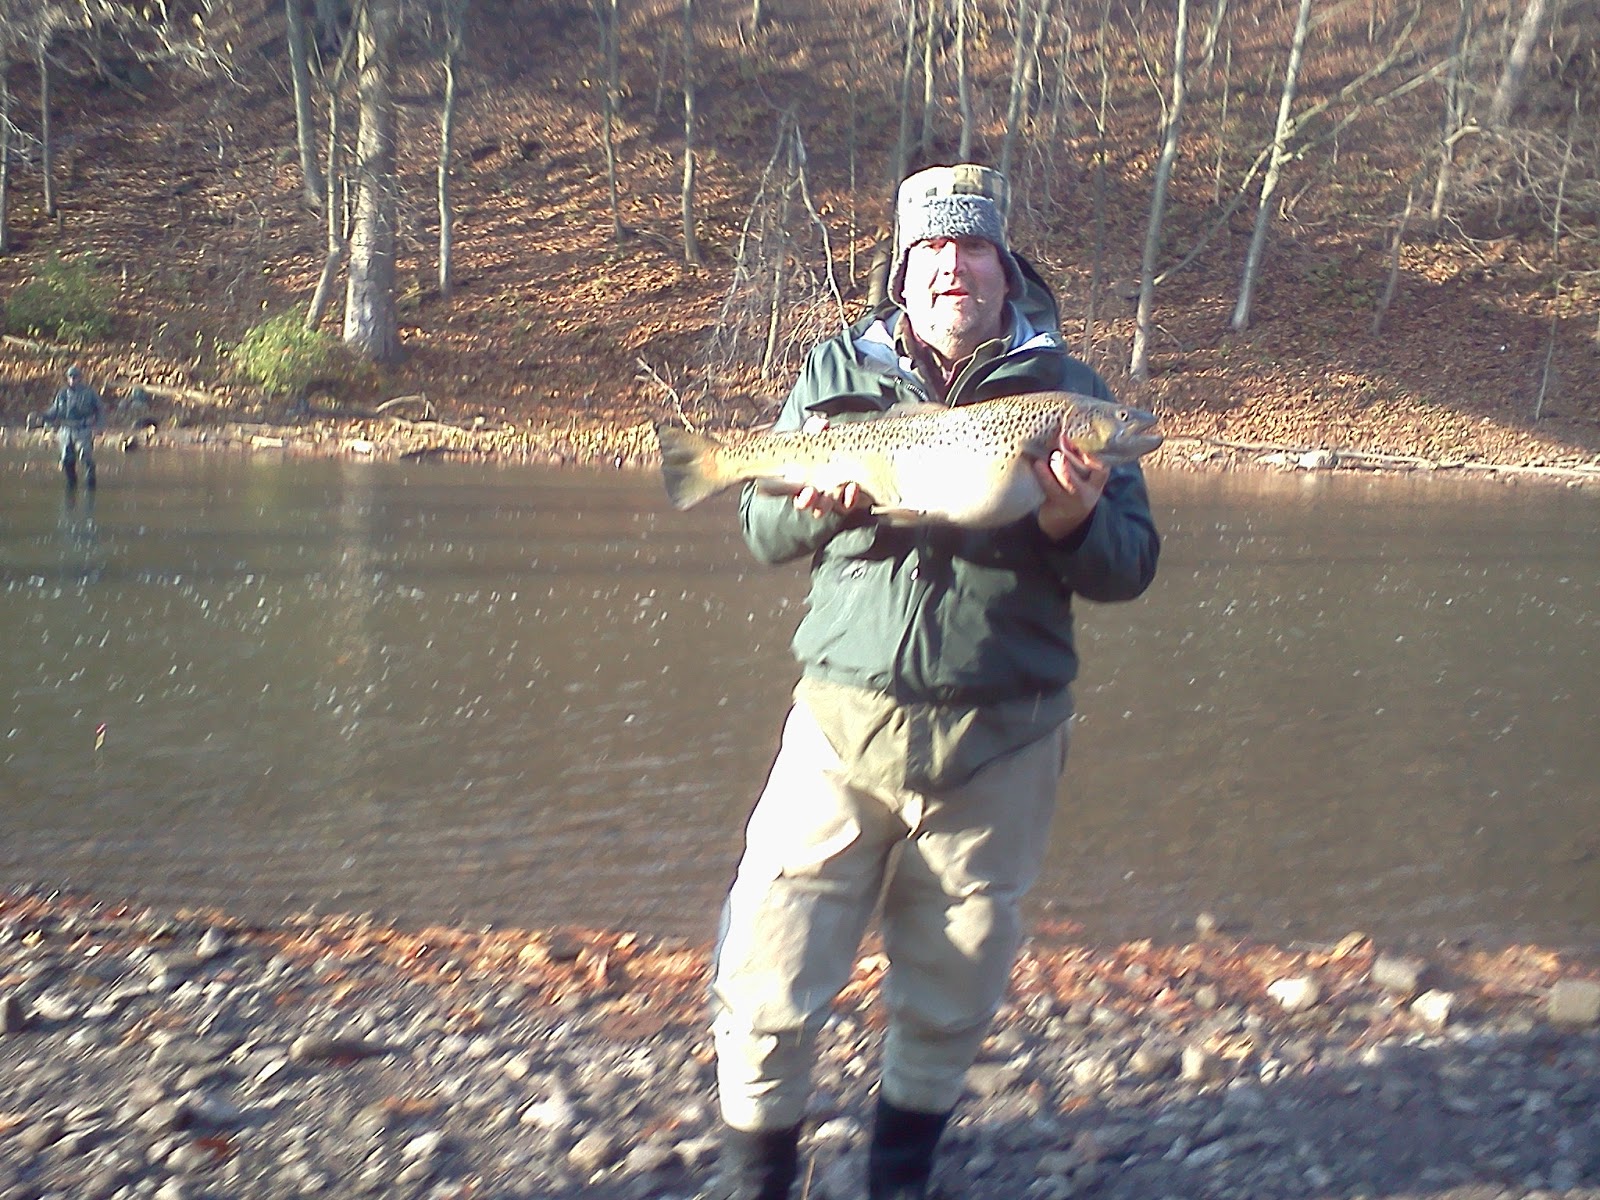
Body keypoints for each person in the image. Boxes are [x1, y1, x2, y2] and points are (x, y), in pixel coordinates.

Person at [707, 163, 1161, 1200]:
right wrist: (813, 502)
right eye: (932, 252)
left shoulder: (1072, 400)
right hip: (836, 724)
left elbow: (1129, 568)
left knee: (952, 986)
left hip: (1004, 736)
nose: (953, 268)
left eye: (973, 250)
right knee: (767, 968)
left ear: (1007, 270)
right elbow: (761, 530)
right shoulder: (835, 376)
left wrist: (1072, 521)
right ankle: (752, 1179)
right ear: (904, 274)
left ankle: (898, 1179)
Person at [38, 365, 106, 488]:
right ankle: (72, 483)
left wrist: (99, 426)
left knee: (84, 454)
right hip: (66, 430)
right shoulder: (62, 394)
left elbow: (100, 409)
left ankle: (90, 481)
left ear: (80, 378)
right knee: (66, 459)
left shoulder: (89, 393)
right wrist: (43, 416)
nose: (73, 380)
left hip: (83, 428)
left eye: (75, 377)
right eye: (70, 377)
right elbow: (55, 410)